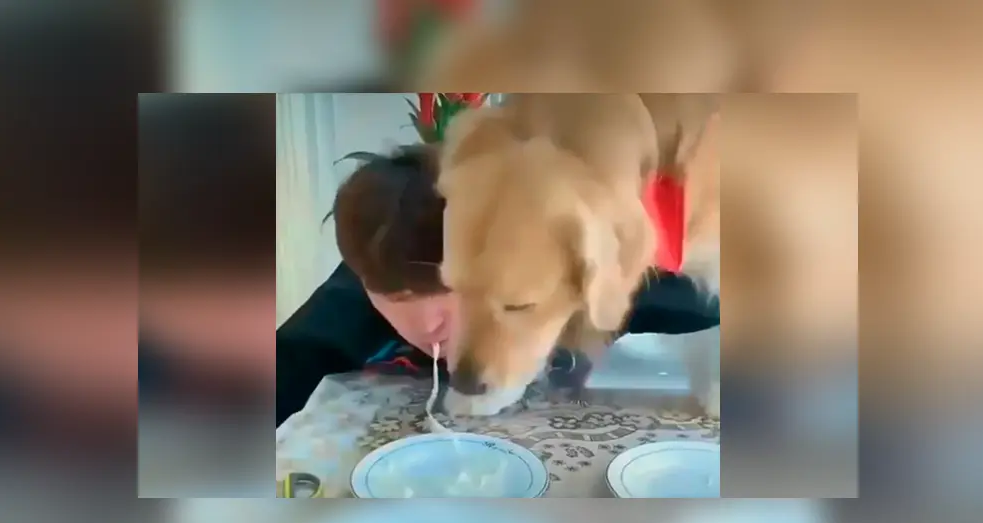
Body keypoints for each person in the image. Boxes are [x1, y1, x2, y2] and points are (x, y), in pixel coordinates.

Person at [276, 144, 719, 425]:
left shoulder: (563, 277)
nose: (432, 323)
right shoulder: (368, 272)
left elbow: (710, 299)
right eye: (399, 297)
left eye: (450, 288)